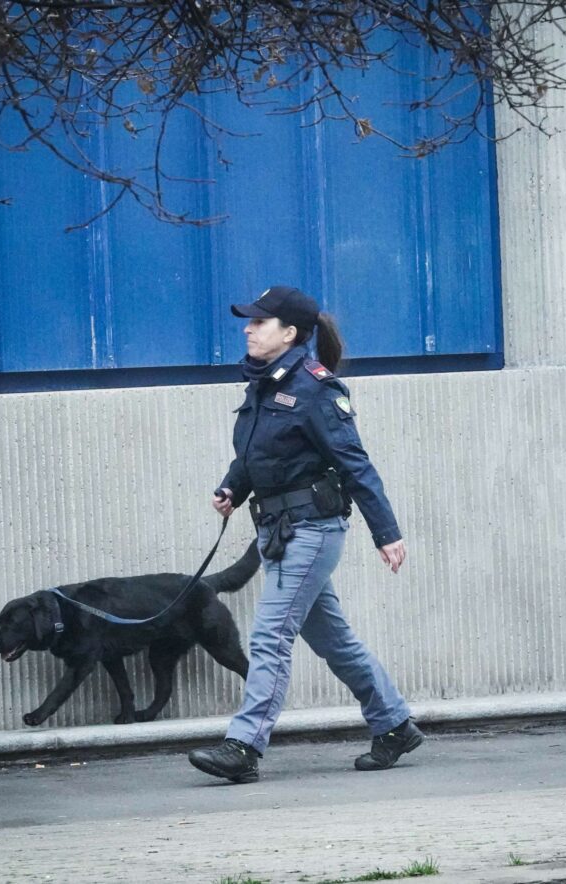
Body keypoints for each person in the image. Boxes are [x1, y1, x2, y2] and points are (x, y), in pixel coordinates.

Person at [187, 285, 424, 783]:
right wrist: (232, 486)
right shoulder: (264, 384)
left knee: (271, 634)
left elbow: (355, 464)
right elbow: (257, 453)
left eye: (260, 322)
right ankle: (395, 723)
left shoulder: (316, 388)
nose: (248, 329)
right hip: (278, 528)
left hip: (312, 529)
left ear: (290, 333)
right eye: (248, 321)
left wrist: (387, 533)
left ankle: (244, 746)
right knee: (333, 640)